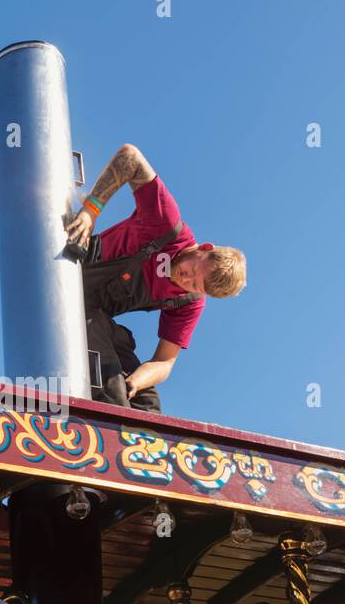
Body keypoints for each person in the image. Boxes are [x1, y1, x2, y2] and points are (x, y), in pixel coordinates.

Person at [64, 144, 246, 413]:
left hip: (96, 314)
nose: (187, 280)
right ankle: (108, 434)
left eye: (196, 286)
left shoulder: (188, 300)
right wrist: (91, 210)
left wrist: (135, 382)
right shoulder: (165, 224)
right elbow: (130, 157)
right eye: (195, 271)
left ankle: (140, 448)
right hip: (71, 284)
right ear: (204, 249)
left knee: (146, 403)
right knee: (110, 388)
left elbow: (165, 362)